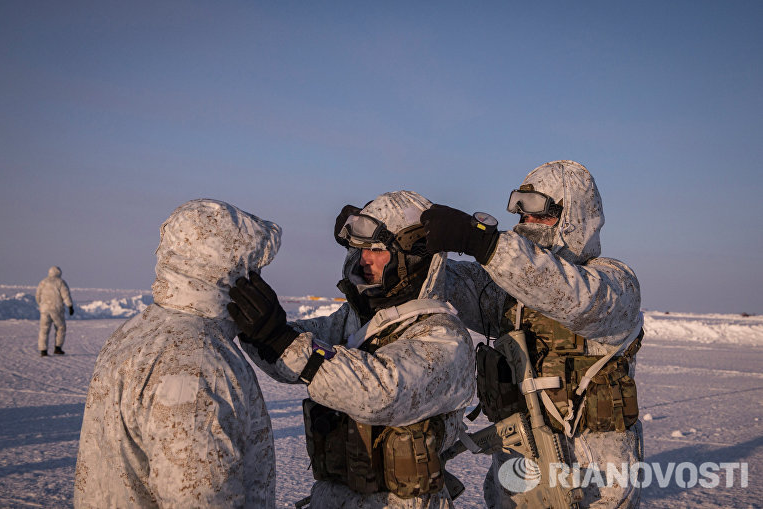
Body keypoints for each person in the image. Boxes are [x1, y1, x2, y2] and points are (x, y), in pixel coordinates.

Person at [228, 190, 476, 508]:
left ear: (414, 255)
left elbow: (380, 393)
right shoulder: (359, 318)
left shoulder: (444, 338)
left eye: (375, 250)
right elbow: (296, 358)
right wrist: (258, 330)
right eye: (359, 250)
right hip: (335, 497)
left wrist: (284, 342)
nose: (364, 260)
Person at [420, 160, 644, 508]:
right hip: (519, 461)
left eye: (541, 214)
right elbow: (459, 284)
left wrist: (484, 244)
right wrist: (406, 248)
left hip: (591, 471)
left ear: (574, 217)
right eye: (522, 215)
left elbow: (570, 295)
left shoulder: (614, 283)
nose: (527, 224)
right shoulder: (510, 289)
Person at [74, 199, 281, 508]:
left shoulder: (138, 329)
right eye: (255, 269)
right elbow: (202, 497)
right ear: (229, 272)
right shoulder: (200, 363)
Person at [36, 266, 74, 356]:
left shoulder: (43, 282)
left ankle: (43, 350)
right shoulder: (60, 282)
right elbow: (66, 295)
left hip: (44, 309)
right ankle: (58, 347)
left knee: (44, 329)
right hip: (56, 309)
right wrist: (70, 306)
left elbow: (37, 295)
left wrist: (41, 305)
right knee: (61, 327)